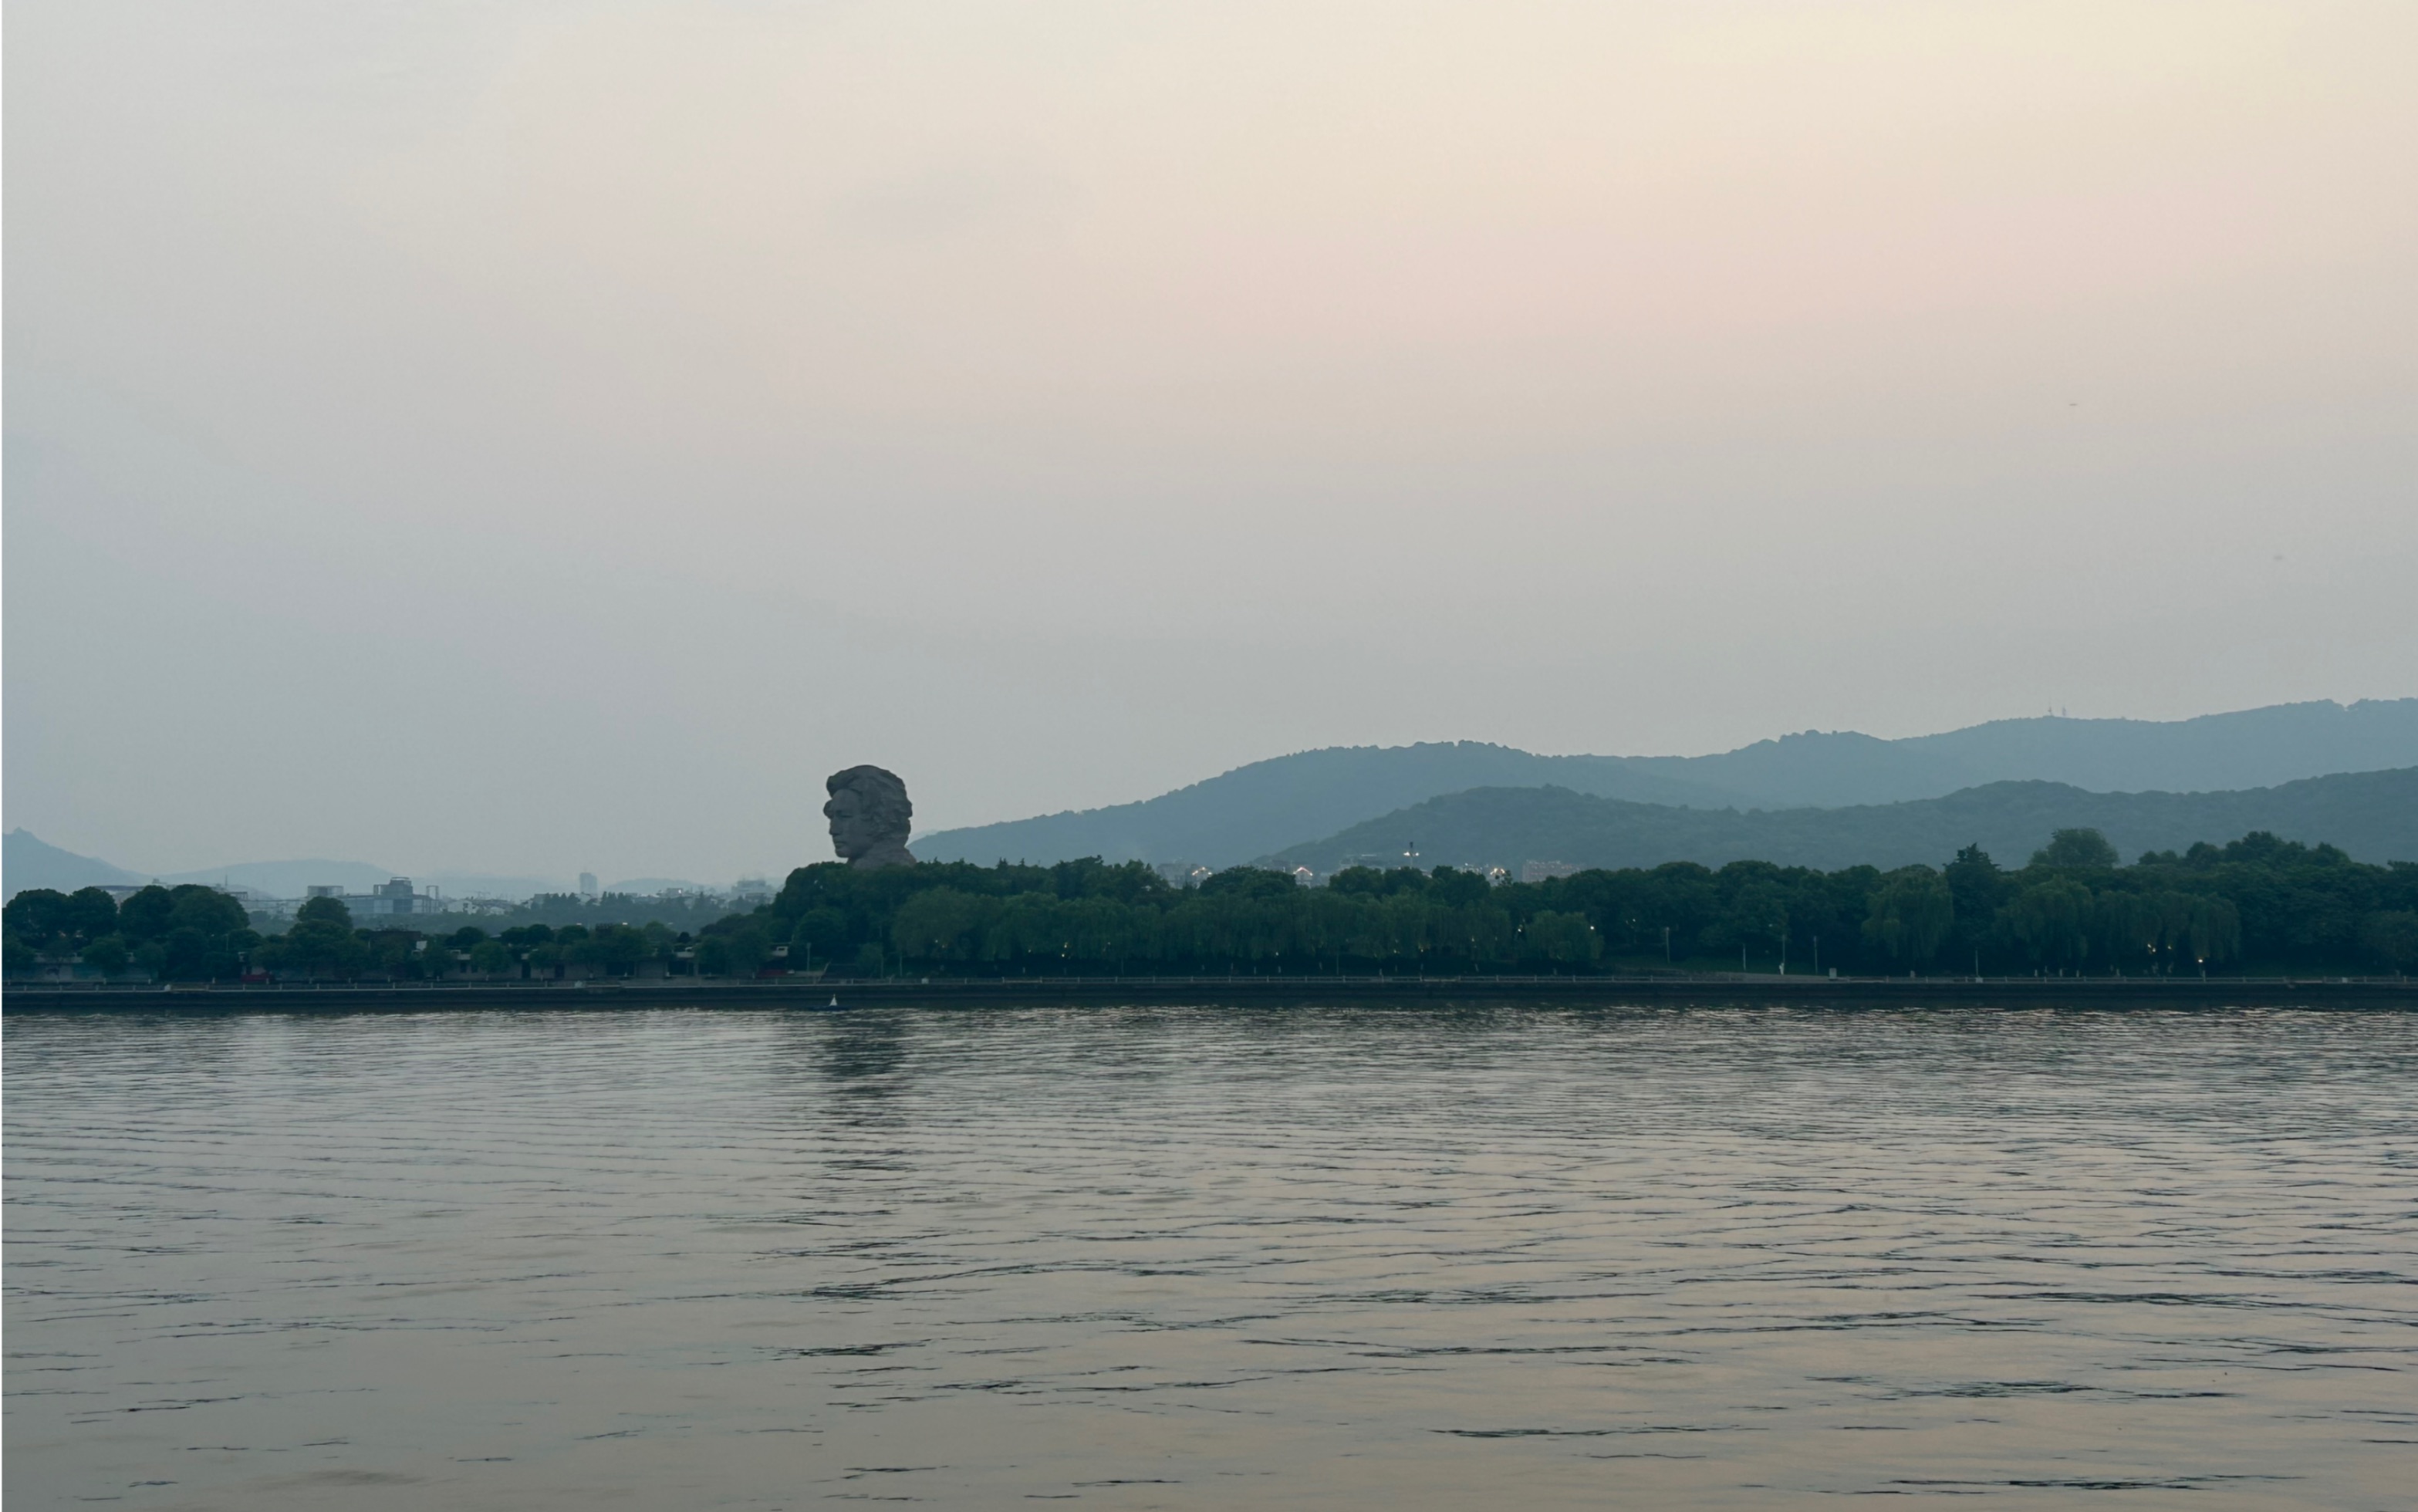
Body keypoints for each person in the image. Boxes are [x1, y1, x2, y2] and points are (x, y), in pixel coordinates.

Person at [823, 765, 917, 869]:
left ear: (879, 819)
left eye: (845, 817)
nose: (833, 830)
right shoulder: (850, 874)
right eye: (831, 817)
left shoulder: (896, 876)